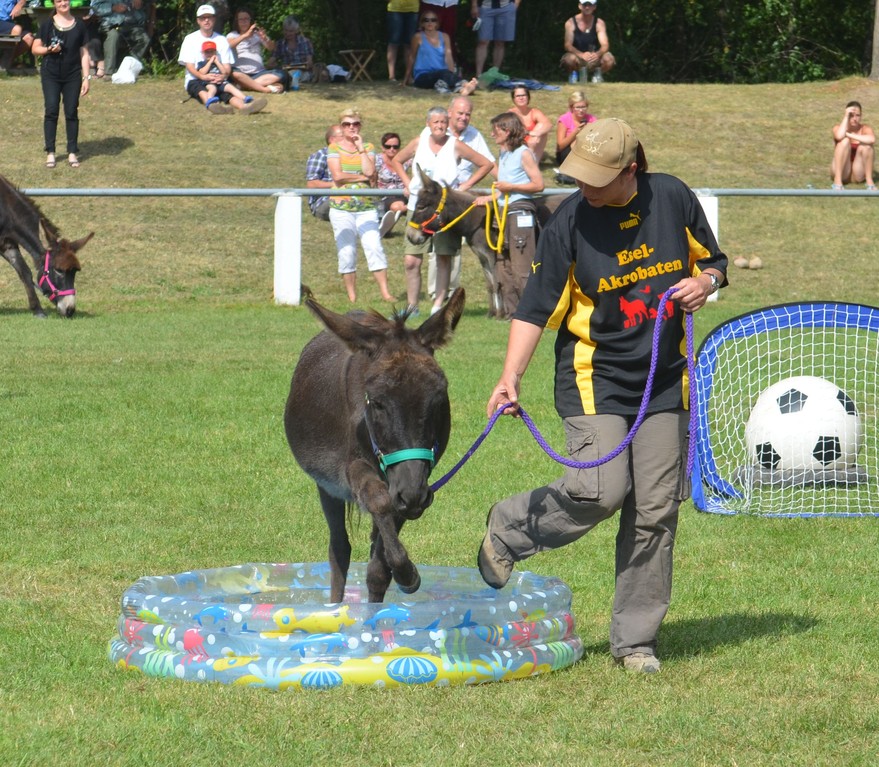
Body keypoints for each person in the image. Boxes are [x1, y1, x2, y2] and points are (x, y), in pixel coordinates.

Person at [478, 118, 729, 674]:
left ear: (631, 168)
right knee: (599, 491)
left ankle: (635, 642)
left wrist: (704, 284)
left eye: (596, 179)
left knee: (656, 511)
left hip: (664, 381)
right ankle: (510, 528)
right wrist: (508, 378)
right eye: (579, 176)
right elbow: (535, 308)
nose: (584, 188)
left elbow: (715, 262)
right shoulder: (568, 221)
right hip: (595, 378)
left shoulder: (673, 197)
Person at [390, 106, 493, 315]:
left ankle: (438, 306)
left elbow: (486, 164)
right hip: (418, 208)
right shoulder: (419, 142)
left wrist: (464, 187)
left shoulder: (455, 145)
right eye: (436, 122)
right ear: (428, 123)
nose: (440, 126)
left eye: (443, 122)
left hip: (445, 211)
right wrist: (408, 183)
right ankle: (411, 308)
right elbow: (397, 160)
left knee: (443, 256)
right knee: (411, 260)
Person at [473, 111, 544, 318]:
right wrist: (489, 198)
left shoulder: (524, 153)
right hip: (503, 211)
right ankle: (513, 312)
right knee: (503, 263)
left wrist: (509, 186)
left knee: (522, 264)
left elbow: (538, 184)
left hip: (519, 211)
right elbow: (503, 190)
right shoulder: (504, 154)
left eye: (496, 130)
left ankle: (532, 313)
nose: (492, 134)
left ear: (508, 130)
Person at [428, 94, 496, 299]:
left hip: (461, 199)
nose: (464, 117)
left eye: (468, 114)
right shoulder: (436, 131)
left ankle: (449, 292)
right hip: (439, 200)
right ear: (449, 113)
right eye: (460, 113)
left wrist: (507, 185)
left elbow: (489, 163)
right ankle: (435, 293)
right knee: (438, 249)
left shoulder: (474, 135)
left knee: (454, 248)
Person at [326, 109, 395, 304]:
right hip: (341, 207)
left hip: (365, 207)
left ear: (360, 126)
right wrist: (361, 178)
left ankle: (385, 293)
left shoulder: (368, 146)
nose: (351, 128)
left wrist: (361, 149)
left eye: (355, 124)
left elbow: (370, 171)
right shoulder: (334, 148)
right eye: (347, 124)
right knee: (346, 250)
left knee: (374, 246)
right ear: (341, 127)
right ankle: (352, 296)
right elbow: (337, 177)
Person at [32, 0, 90, 169]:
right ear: (54, 4)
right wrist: (49, 50)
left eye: (65, 0)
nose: (63, 3)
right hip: (51, 74)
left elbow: (84, 53)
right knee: (51, 110)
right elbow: (35, 48)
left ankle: (72, 151)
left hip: (72, 75)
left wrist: (86, 78)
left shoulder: (79, 25)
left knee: (71, 111)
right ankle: (50, 152)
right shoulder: (47, 25)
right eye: (59, 0)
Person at [178, 5, 266, 115]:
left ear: (214, 19)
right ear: (198, 21)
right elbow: (190, 66)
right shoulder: (190, 39)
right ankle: (212, 106)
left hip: (219, 78)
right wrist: (202, 76)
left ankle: (245, 107)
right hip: (196, 79)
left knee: (228, 94)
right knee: (201, 91)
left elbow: (227, 66)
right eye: (203, 18)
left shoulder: (222, 40)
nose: (206, 20)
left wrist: (223, 76)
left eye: (209, 17)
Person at [403, 11, 477, 95]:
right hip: (423, 76)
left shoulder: (445, 37)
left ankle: (462, 90)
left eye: (433, 20)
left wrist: (451, 74)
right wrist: (406, 78)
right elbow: (412, 57)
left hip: (442, 74)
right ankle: (465, 84)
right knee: (443, 74)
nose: (430, 22)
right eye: (426, 20)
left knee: (443, 79)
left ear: (437, 23)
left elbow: (448, 57)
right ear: (422, 23)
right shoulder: (418, 37)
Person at [85, 0, 153, 78]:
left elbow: (150, 3)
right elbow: (95, 7)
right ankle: (109, 72)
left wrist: (141, 2)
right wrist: (112, 8)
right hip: (112, 24)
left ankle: (127, 68)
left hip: (133, 24)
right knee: (114, 35)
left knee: (145, 39)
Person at [226, 7, 287, 94]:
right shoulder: (232, 35)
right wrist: (245, 35)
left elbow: (272, 48)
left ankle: (244, 86)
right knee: (234, 74)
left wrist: (265, 39)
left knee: (282, 73)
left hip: (259, 73)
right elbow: (229, 45)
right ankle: (260, 86)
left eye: (246, 19)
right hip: (241, 73)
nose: (244, 22)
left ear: (251, 20)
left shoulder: (257, 35)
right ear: (237, 21)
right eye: (241, 19)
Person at [561, 0, 615, 84]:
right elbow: (568, 45)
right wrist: (581, 54)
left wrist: (597, 54)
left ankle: (597, 74)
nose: (587, 7)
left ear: (594, 7)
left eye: (590, 5)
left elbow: (605, 45)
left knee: (609, 59)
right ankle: (574, 74)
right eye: (584, 4)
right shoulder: (570, 22)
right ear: (579, 6)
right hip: (577, 57)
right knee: (568, 59)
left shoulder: (599, 23)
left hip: (594, 57)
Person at [831, 101, 876, 191]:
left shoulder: (865, 129)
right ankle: (837, 181)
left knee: (867, 146)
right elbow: (839, 136)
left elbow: (872, 139)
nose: (854, 118)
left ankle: (869, 181)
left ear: (861, 116)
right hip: (842, 171)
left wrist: (849, 134)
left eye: (857, 115)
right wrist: (846, 116)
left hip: (857, 172)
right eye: (851, 115)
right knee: (844, 141)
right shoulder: (838, 127)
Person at [267, 15, 323, 84]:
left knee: (298, 74)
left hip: (304, 72)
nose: (287, 33)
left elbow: (309, 63)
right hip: (286, 72)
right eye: (285, 30)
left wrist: (303, 66)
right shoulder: (280, 44)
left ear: (296, 31)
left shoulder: (305, 42)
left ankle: (291, 79)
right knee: (281, 75)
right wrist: (274, 65)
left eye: (291, 31)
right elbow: (270, 63)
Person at [555, 89, 596, 183]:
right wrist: (576, 132)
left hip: (588, 152)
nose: (581, 110)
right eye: (578, 107)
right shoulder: (564, 119)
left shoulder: (592, 119)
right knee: (577, 141)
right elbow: (560, 145)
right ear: (571, 107)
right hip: (566, 152)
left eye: (584, 107)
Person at [470, 0, 519, 77]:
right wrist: (474, 5)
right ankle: (478, 75)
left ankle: (494, 74)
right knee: (483, 41)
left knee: (500, 42)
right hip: (485, 7)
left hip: (505, 7)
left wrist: (515, 5)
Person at [306, 124, 344, 221]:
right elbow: (311, 184)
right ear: (332, 140)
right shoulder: (321, 155)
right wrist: (337, 184)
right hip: (324, 201)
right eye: (343, 136)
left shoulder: (351, 157)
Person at [375, 132, 409, 237]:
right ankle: (386, 230)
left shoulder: (405, 160)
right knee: (397, 206)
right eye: (388, 146)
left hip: (403, 194)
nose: (391, 149)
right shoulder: (378, 160)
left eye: (395, 146)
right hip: (386, 196)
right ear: (382, 147)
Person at [509, 84, 552, 162]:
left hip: (532, 144)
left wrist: (537, 133)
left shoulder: (534, 112)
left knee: (541, 127)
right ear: (513, 99)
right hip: (517, 145)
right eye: (518, 96)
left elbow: (548, 125)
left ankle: (533, 163)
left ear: (528, 97)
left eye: (523, 95)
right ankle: (530, 160)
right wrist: (529, 133)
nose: (521, 98)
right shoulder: (511, 114)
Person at [386, 0, 419, 82]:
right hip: (395, 9)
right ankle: (391, 76)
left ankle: (408, 76)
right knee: (394, 42)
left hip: (413, 9)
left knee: (409, 43)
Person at [0, 0, 35, 65]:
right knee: (17, 29)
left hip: (8, 24)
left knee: (29, 38)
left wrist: (20, 4)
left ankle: (3, 62)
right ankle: (5, 64)